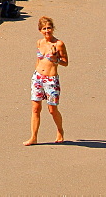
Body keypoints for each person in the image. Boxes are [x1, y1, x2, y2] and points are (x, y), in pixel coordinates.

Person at [24, 16, 68, 146]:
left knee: (52, 109)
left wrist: (56, 59)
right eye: (44, 29)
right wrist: (36, 73)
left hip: (51, 80)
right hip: (38, 78)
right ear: (40, 30)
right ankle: (33, 137)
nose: (47, 31)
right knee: (36, 108)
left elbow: (65, 63)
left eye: (49, 28)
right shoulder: (39, 43)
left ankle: (60, 131)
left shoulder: (59, 44)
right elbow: (38, 60)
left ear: (53, 29)